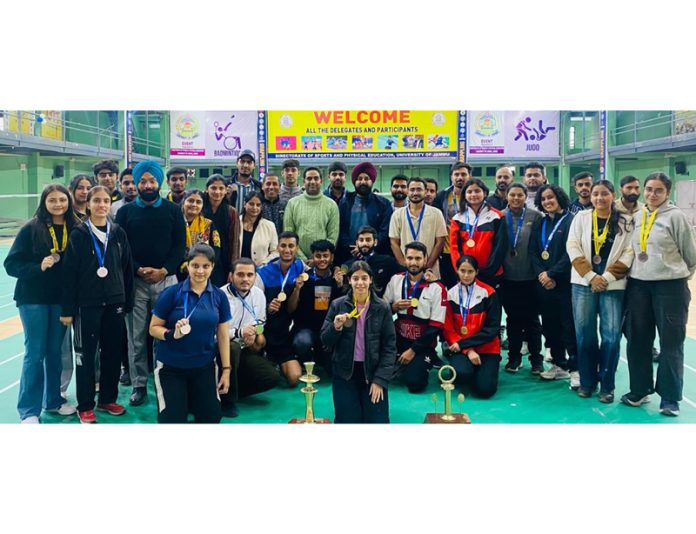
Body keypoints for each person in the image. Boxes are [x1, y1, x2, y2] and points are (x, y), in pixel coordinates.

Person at [622, 172, 696, 416]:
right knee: (638, 340)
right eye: (649, 189)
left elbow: (690, 254)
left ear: (668, 193)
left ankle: (670, 398)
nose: (652, 195)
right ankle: (639, 390)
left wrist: (676, 275)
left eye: (658, 190)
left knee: (671, 343)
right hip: (639, 287)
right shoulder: (639, 215)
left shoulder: (676, 217)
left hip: (670, 288)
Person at [4, 184, 79, 422]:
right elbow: (11, 265)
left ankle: (53, 401)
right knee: (34, 353)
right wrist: (38, 268)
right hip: (33, 299)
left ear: (68, 201)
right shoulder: (30, 229)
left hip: (60, 300)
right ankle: (29, 411)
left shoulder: (75, 228)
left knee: (54, 353)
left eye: (62, 200)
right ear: (44, 203)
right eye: (53, 200)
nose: (58, 204)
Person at [60, 186, 134, 423]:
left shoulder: (118, 232)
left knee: (112, 354)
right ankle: (85, 405)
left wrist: (127, 300)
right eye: (97, 201)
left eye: (105, 200)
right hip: (87, 305)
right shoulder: (79, 234)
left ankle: (107, 399)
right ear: (88, 204)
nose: (102, 205)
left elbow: (127, 269)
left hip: (115, 303)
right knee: (86, 357)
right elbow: (69, 274)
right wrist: (68, 309)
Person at [115, 160, 186, 406]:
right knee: (136, 337)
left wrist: (164, 270)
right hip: (135, 283)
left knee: (166, 333)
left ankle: (165, 379)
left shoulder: (173, 210)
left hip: (167, 281)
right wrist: (137, 269)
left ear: (159, 183)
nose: (147, 185)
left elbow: (180, 246)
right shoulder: (124, 213)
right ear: (136, 183)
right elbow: (120, 248)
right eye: (142, 181)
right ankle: (139, 385)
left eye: (152, 181)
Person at [567, 180, 634, 403]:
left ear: (613, 195)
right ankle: (587, 382)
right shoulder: (582, 217)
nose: (599, 198)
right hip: (583, 283)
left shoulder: (625, 221)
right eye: (595, 194)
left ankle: (607, 385)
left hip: (612, 285)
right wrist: (590, 276)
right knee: (584, 336)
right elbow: (572, 245)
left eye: (604, 194)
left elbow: (629, 252)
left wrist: (604, 278)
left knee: (611, 337)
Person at [149, 244, 232, 424]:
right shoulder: (171, 293)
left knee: (211, 418)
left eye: (205, 266)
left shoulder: (219, 296)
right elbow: (153, 328)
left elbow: (223, 335)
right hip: (171, 369)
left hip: (204, 368)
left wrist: (226, 370)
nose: (200, 271)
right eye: (195, 265)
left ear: (212, 267)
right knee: (173, 421)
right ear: (187, 265)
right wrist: (172, 334)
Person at [321, 261, 396, 423]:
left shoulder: (382, 308)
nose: (360, 283)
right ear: (349, 281)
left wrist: (380, 380)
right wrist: (335, 327)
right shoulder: (338, 305)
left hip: (372, 372)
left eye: (364, 278)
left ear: (370, 280)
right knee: (348, 421)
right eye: (355, 278)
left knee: (377, 422)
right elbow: (325, 340)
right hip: (345, 373)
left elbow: (389, 348)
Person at [529, 184, 578, 385]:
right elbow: (532, 252)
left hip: (564, 282)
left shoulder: (571, 221)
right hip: (544, 284)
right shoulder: (540, 223)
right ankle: (559, 364)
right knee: (550, 326)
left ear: (559, 197)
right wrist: (542, 274)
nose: (547, 202)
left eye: (551, 198)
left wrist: (552, 273)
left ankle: (576, 368)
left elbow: (572, 252)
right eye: (543, 199)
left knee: (569, 326)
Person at [383, 241, 447, 392]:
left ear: (425, 260)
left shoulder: (437, 288)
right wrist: (393, 307)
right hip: (398, 340)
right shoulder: (395, 280)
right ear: (405, 259)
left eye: (418, 258)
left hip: (423, 345)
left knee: (415, 385)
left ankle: (414, 364)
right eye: (410, 258)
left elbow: (436, 328)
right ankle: (401, 364)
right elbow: (382, 312)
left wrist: (413, 351)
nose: (413, 262)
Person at [220, 258, 280, 417]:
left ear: (255, 277)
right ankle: (227, 401)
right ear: (231, 276)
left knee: (271, 377)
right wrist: (240, 333)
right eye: (240, 274)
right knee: (232, 348)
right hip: (221, 348)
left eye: (249, 275)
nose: (245, 279)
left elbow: (261, 320)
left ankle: (228, 391)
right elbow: (214, 332)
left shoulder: (259, 294)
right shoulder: (220, 296)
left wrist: (256, 333)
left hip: (246, 347)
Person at [443, 255, 502, 398]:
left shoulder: (489, 293)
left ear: (477, 272)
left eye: (470, 271)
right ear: (456, 271)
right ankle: (468, 369)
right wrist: (468, 350)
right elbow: (448, 329)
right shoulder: (450, 294)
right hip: (461, 349)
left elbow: (492, 329)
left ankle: (487, 370)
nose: (466, 275)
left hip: (487, 348)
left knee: (485, 390)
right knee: (463, 375)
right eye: (462, 271)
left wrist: (464, 343)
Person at [500, 183, 544, 373]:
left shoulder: (535, 217)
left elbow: (539, 247)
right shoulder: (499, 216)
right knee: (513, 320)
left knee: (532, 321)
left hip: (530, 278)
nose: (516, 198)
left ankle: (536, 360)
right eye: (512, 195)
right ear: (507, 196)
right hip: (508, 279)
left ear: (526, 197)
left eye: (520, 195)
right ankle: (514, 358)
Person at [255, 231, 308, 385]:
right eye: (283, 246)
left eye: (291, 246)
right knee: (266, 374)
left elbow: (292, 309)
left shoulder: (300, 267)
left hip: (284, 334)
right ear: (277, 247)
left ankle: (279, 363)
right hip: (265, 331)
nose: (287, 250)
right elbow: (254, 306)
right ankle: (265, 358)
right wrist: (267, 308)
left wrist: (297, 289)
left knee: (294, 378)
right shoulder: (263, 273)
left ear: (297, 248)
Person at [290, 240, 344, 373]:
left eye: (325, 256)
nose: (322, 259)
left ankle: (322, 356)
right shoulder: (304, 279)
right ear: (312, 257)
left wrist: (340, 287)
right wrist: (297, 289)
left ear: (331, 257)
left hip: (327, 329)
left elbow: (342, 308)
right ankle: (306, 362)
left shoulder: (337, 279)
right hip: (305, 328)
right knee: (302, 342)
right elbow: (290, 309)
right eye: (318, 256)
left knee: (333, 370)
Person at [449, 178, 508, 288]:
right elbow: (454, 248)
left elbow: (500, 247)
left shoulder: (498, 216)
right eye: (469, 192)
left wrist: (489, 271)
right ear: (464, 195)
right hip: (466, 274)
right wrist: (461, 270)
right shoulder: (457, 218)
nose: (473, 194)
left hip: (491, 274)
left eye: (477, 191)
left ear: (484, 193)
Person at [389, 177, 447, 278]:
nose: (415, 193)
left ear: (425, 192)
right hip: (406, 267)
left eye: (419, 189)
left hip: (430, 267)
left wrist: (427, 264)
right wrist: (404, 264)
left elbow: (440, 241)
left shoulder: (436, 213)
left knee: (432, 292)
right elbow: (394, 242)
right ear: (407, 191)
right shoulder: (397, 214)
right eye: (412, 189)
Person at [337, 161, 393, 264]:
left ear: (372, 181)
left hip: (376, 256)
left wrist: (367, 247)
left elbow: (384, 232)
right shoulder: (345, 203)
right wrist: (356, 247)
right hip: (349, 256)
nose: (363, 182)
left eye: (366, 179)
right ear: (354, 181)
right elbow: (341, 231)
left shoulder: (384, 204)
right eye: (359, 179)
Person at [283, 167, 340, 260]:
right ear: (304, 181)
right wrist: (303, 259)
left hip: (322, 261)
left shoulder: (331, 205)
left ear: (321, 181)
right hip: (296, 261)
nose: (312, 182)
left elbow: (333, 237)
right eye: (309, 178)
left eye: (316, 178)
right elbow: (289, 235)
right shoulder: (292, 203)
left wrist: (318, 257)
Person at [434, 162, 472, 288]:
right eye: (456, 174)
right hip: (447, 251)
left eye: (463, 174)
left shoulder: (475, 195)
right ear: (451, 177)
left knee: (469, 286)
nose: (460, 177)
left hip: (470, 250)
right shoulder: (442, 196)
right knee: (450, 288)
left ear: (469, 176)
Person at [202, 174, 241, 287]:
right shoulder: (200, 209)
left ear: (226, 191)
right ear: (206, 189)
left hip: (223, 261)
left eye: (221, 188)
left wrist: (233, 268)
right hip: (201, 257)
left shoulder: (231, 212)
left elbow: (235, 242)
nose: (217, 192)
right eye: (213, 188)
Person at [344, 225, 403, 298]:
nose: (364, 243)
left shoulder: (388, 262)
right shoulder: (348, 265)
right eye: (361, 240)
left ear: (375, 242)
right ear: (357, 243)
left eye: (368, 240)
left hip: (380, 305)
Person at [178, 189, 221, 282]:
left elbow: (216, 248)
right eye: (190, 201)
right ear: (183, 202)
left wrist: (206, 265)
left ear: (202, 205)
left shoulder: (208, 224)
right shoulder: (175, 222)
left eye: (198, 202)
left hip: (202, 272)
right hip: (178, 272)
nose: (194, 205)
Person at [239, 191, 278, 266]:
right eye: (251, 204)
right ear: (244, 204)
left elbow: (275, 252)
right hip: (238, 269)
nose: (255, 208)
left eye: (258, 205)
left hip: (261, 270)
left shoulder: (269, 226)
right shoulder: (235, 223)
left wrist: (264, 262)